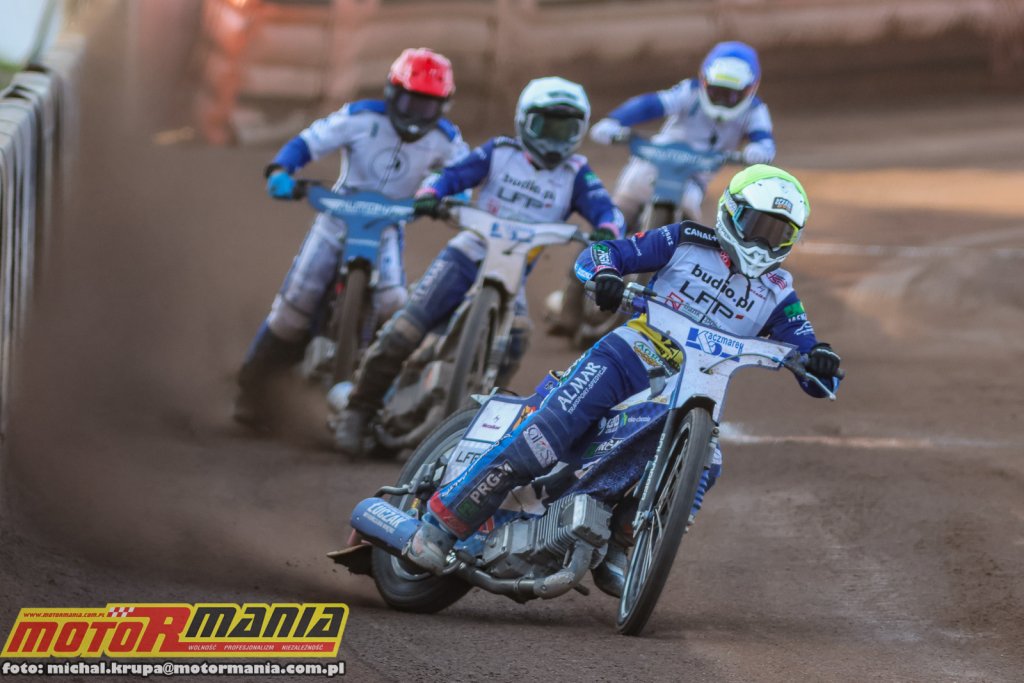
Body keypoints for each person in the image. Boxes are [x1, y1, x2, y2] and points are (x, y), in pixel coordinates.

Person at [369, 165, 844, 597]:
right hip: (630, 355)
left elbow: (808, 353)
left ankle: (622, 542)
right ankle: (440, 526)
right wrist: (606, 275)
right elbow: (603, 251)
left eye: (778, 233)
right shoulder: (685, 239)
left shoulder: (779, 291)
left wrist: (820, 360)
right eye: (757, 225)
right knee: (545, 437)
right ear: (731, 214)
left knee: (707, 460)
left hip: (691, 391)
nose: (763, 242)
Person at [332, 76, 626, 454]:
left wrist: (606, 230)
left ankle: (474, 417)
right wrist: (432, 192)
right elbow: (454, 174)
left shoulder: (577, 173)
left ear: (580, 130)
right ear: (524, 121)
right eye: (545, 126)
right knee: (405, 329)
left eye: (565, 129)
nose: (554, 139)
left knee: (518, 338)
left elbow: (607, 210)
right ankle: (358, 410)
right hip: (467, 253)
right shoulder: (499, 152)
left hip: (512, 272)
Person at [233, 48, 469, 431]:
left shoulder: (447, 139)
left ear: (442, 107)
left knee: (394, 305)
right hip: (336, 218)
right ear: (392, 93)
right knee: (294, 307)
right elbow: (309, 141)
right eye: (409, 102)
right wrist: (281, 170)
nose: (415, 114)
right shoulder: (360, 117)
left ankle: (377, 396)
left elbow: (462, 173)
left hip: (388, 226)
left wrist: (451, 197)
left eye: (427, 106)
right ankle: (251, 390)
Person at [590, 40, 775, 228]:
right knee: (625, 201)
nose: (722, 100)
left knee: (689, 217)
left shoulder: (755, 111)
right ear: (704, 80)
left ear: (750, 89)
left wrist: (759, 150)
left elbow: (764, 139)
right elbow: (651, 105)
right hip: (655, 161)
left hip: (695, 177)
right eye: (716, 92)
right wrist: (613, 121)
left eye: (732, 95)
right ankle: (604, 238)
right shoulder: (689, 91)